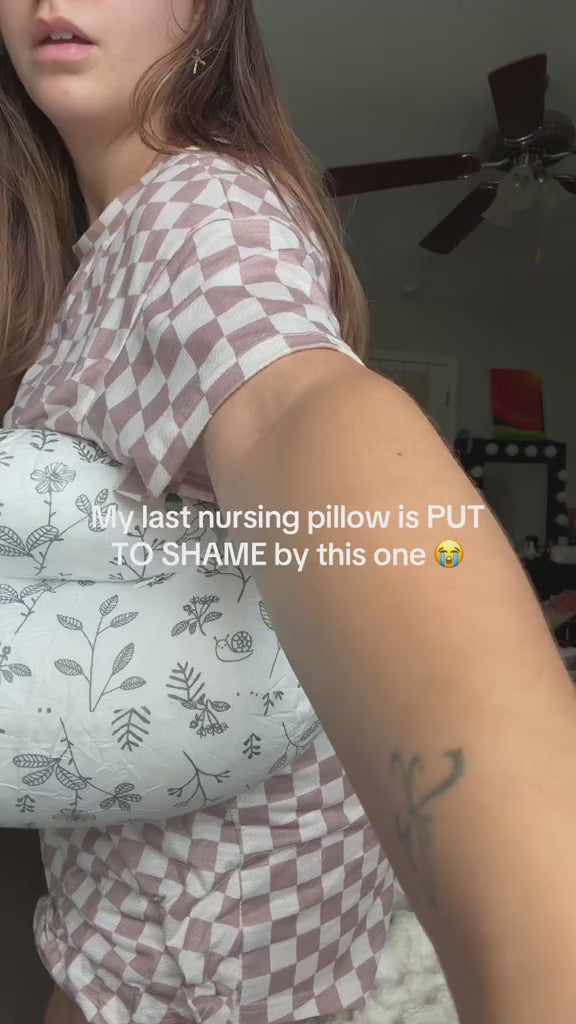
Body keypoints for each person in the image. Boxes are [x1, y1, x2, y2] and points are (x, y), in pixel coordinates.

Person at [2, 4, 576, 1024]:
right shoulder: (86, 272)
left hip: (221, 979)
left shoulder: (198, 211)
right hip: (107, 942)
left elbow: (291, 409)